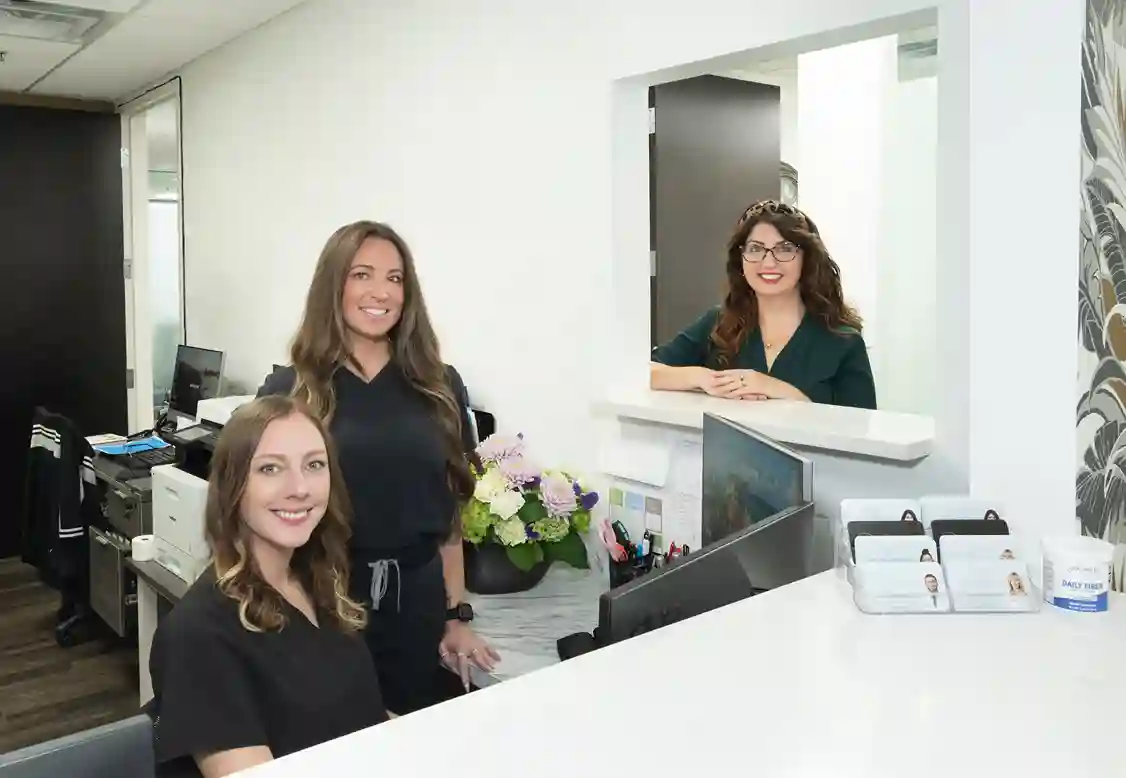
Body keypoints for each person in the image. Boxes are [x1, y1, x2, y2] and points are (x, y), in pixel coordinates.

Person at [258, 220, 500, 715]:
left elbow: (449, 516)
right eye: (362, 274)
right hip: (321, 603)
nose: (381, 292)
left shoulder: (438, 386)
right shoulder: (292, 390)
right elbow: (258, 518)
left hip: (416, 608)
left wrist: (456, 616)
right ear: (334, 284)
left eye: (395, 278)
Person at [147, 395, 387, 778]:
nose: (299, 488)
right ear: (233, 487)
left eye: (314, 464)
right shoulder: (199, 635)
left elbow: (358, 715)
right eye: (270, 468)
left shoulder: (316, 584)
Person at [650, 199, 877, 409]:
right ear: (740, 260)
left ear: (807, 259)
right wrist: (703, 378)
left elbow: (861, 431)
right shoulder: (718, 323)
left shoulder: (843, 342)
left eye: (785, 249)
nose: (768, 262)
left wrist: (774, 388)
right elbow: (645, 372)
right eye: (755, 249)